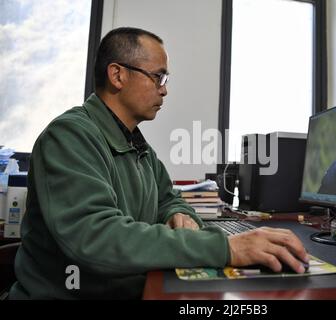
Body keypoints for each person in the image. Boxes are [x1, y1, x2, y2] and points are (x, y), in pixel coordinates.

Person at [10, 27, 308, 299]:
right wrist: (226, 248)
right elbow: (96, 237)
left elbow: (170, 199)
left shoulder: (139, 148)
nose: (164, 89)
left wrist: (178, 214)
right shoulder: (69, 137)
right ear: (117, 75)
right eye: (158, 77)